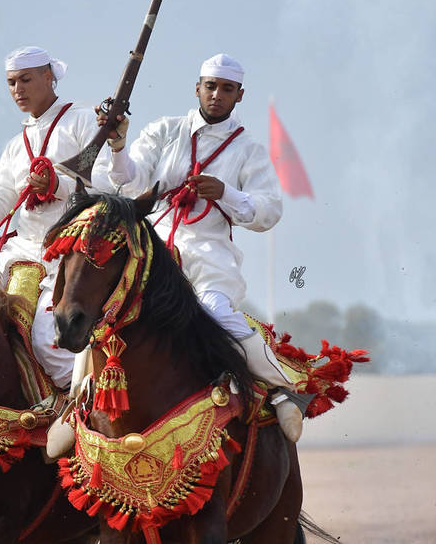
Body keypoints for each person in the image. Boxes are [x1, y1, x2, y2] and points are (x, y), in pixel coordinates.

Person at [92, 52, 304, 441]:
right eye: (210, 87)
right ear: (197, 89)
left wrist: (227, 193)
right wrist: (119, 145)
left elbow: (269, 212)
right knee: (97, 314)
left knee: (214, 313)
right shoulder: (164, 131)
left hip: (209, 258)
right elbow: (126, 182)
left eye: (226, 89)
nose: (216, 95)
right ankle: (75, 404)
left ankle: (280, 389)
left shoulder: (249, 150)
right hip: (151, 255)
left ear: (240, 95)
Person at [0, 46, 106, 390]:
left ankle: (80, 414)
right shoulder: (14, 146)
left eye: (25, 79)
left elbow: (109, 187)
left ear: (49, 76)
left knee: (48, 344)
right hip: (22, 254)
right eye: (10, 83)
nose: (17, 89)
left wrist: (59, 185)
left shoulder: (80, 120)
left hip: (72, 255)